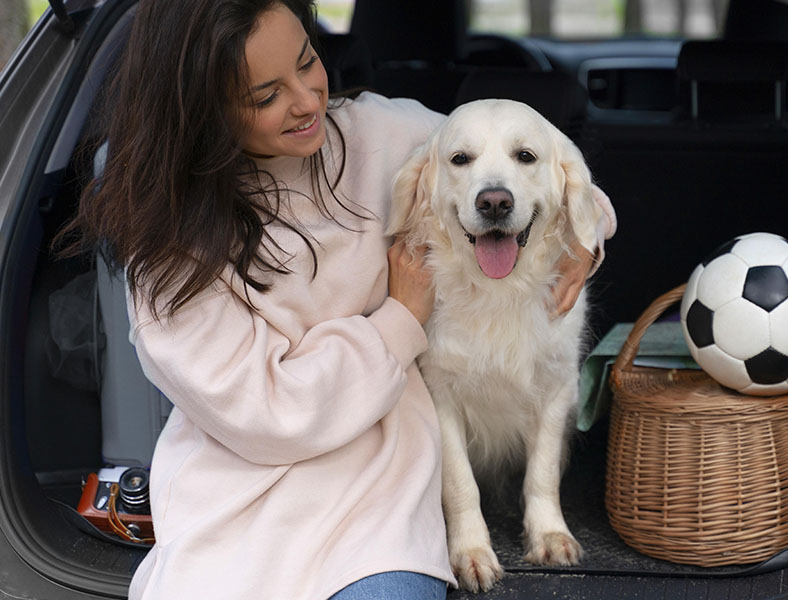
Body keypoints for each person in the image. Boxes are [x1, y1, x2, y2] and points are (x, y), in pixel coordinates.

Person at [54, 0, 615, 598]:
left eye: (307, 62)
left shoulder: (382, 132)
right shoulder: (169, 251)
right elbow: (271, 415)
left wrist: (588, 234)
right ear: (202, 110)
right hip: (240, 500)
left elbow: (523, 161)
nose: (305, 101)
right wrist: (400, 320)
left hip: (382, 498)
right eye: (265, 95)